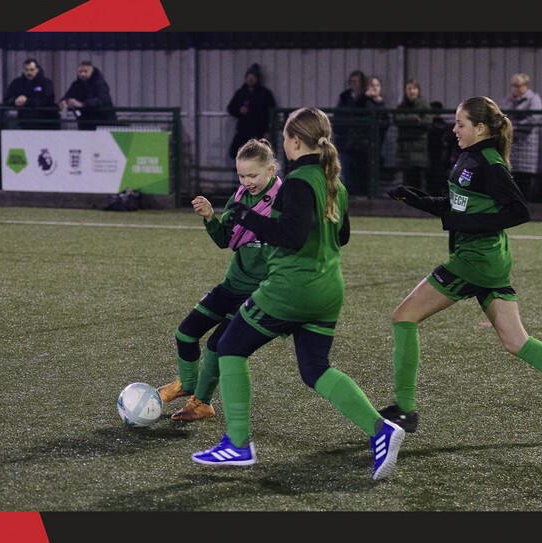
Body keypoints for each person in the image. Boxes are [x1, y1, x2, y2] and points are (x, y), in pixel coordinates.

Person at [380, 96, 542, 439]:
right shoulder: (469, 157)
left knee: (404, 316)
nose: (455, 129)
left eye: (461, 124)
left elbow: (519, 212)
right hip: (487, 259)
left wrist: (465, 222)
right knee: (515, 341)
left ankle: (404, 410)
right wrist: (417, 199)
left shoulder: (490, 164)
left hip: (475, 260)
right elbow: (458, 205)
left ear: (479, 128)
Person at [190, 107, 404, 481]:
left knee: (230, 347)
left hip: (292, 289)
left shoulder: (299, 182)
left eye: (286, 137)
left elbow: (291, 235)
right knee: (315, 369)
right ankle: (381, 429)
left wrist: (245, 216)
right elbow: (343, 236)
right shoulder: (333, 181)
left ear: (294, 141)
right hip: (327, 288)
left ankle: (237, 444)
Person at [156, 138, 283, 422]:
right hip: (232, 284)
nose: (246, 181)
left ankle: (201, 402)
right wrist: (210, 217)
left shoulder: (283, 200)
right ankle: (187, 385)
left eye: (253, 175)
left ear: (271, 170)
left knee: (216, 346)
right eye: (241, 175)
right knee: (185, 333)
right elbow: (225, 240)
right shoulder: (238, 197)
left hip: (259, 291)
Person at [500, 73, 542, 201]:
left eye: (518, 86)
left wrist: (512, 126)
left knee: (525, 180)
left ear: (525, 86)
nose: (515, 89)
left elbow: (533, 119)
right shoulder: (508, 100)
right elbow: (501, 116)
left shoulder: (533, 99)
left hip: (527, 147)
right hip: (511, 147)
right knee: (511, 178)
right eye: (513, 86)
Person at [225, 63, 277, 160]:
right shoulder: (241, 93)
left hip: (259, 131)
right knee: (235, 152)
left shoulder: (265, 94)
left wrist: (267, 131)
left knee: (258, 157)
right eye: (249, 77)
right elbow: (231, 108)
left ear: (257, 79)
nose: (250, 79)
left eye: (253, 77)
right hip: (243, 130)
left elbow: (271, 113)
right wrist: (239, 110)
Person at [334, 70, 369, 196]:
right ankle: (350, 196)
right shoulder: (344, 97)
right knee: (347, 171)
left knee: (361, 171)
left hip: (361, 142)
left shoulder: (366, 98)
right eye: (351, 81)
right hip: (346, 141)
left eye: (356, 81)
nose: (353, 84)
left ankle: (362, 196)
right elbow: (339, 116)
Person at [393, 79, 432, 191]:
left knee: (418, 176)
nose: (411, 91)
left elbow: (427, 121)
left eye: (414, 88)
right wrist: (415, 118)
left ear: (418, 90)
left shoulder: (424, 105)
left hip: (419, 146)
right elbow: (398, 119)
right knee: (407, 176)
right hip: (404, 147)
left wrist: (408, 122)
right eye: (409, 89)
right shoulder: (401, 107)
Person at [58, 60, 116, 130]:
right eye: (80, 72)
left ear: (92, 71)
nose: (82, 74)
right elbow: (68, 95)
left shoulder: (100, 84)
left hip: (103, 123)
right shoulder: (76, 85)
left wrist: (82, 104)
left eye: (85, 71)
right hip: (84, 123)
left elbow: (102, 99)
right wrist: (64, 102)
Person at [3, 58, 59, 130]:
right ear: (23, 70)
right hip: (24, 124)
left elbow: (49, 100)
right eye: (26, 70)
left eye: (32, 70)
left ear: (37, 70)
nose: (29, 73)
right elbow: (7, 99)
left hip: (44, 124)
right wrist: (15, 101)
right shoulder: (17, 83)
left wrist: (28, 101)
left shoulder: (46, 83)